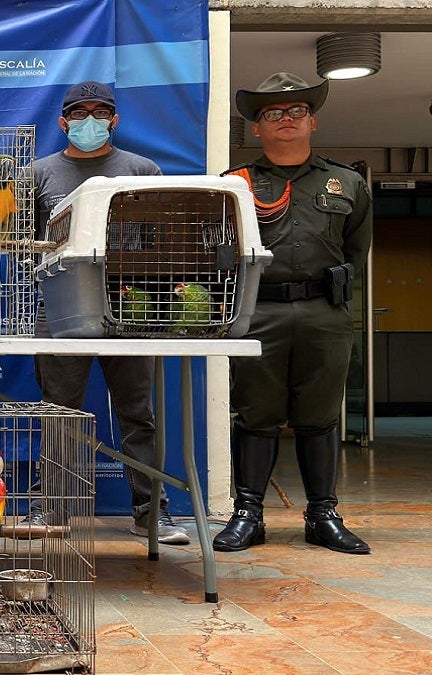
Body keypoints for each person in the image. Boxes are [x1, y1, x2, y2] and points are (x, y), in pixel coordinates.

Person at [214, 72, 372, 555]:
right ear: (256, 129)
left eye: (296, 111)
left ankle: (323, 515)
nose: (286, 119)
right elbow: (219, 249)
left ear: (313, 121)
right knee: (256, 413)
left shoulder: (346, 183)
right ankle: (248, 514)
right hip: (259, 311)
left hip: (325, 313)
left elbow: (355, 249)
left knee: (319, 416)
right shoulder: (236, 185)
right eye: (272, 114)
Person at [30, 81, 190, 545]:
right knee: (59, 413)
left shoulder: (142, 169)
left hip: (130, 306)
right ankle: (49, 509)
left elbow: (166, 239)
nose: (90, 121)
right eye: (80, 114)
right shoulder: (39, 174)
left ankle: (151, 511)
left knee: (137, 413)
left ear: (115, 121)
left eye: (100, 113)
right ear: (63, 123)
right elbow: (25, 243)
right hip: (61, 309)